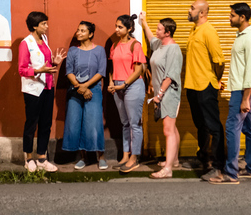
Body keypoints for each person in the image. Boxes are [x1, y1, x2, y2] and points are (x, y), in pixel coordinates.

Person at [209, 2, 251, 185]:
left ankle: (231, 174)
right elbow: (250, 65)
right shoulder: (242, 36)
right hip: (243, 88)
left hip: (242, 92)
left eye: (232, 15)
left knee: (232, 129)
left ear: (242, 17)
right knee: (249, 129)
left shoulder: (250, 38)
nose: (229, 18)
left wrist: (246, 98)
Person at [19, 11, 66, 173]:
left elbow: (46, 64)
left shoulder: (44, 40)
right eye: (43, 24)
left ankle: (41, 158)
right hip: (33, 90)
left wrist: (54, 62)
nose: (47, 26)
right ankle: (28, 158)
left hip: (47, 86)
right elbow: (22, 69)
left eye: (46, 23)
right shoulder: (26, 43)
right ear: (34, 26)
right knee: (31, 124)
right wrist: (39, 70)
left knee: (45, 124)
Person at [185, 0, 226, 182]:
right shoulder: (194, 30)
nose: (189, 10)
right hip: (192, 86)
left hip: (205, 85)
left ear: (202, 13)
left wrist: (216, 80)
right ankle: (205, 160)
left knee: (214, 126)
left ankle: (218, 168)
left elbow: (219, 60)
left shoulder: (209, 31)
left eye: (192, 8)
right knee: (201, 125)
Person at [139, 12, 183, 180]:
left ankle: (168, 169)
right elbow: (150, 38)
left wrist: (159, 94)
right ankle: (175, 160)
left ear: (168, 33)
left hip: (169, 93)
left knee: (168, 130)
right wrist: (144, 23)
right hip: (161, 92)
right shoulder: (159, 45)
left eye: (160, 29)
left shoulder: (173, 49)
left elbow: (170, 75)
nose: (157, 31)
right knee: (172, 127)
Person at [63, 21, 108, 170]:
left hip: (93, 90)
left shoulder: (99, 50)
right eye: (78, 30)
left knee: (94, 124)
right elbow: (68, 71)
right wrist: (79, 87)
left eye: (83, 31)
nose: (79, 33)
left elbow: (101, 72)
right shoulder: (73, 51)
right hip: (75, 91)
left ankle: (101, 157)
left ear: (91, 34)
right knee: (76, 124)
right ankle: (83, 158)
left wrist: (86, 86)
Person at [107, 14, 147, 173]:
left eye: (120, 27)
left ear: (129, 28)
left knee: (134, 123)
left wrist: (123, 84)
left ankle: (134, 157)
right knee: (125, 123)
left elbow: (138, 70)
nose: (116, 29)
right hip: (117, 86)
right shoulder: (114, 45)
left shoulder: (135, 45)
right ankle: (125, 155)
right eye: (116, 26)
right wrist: (111, 82)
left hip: (132, 86)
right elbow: (112, 67)